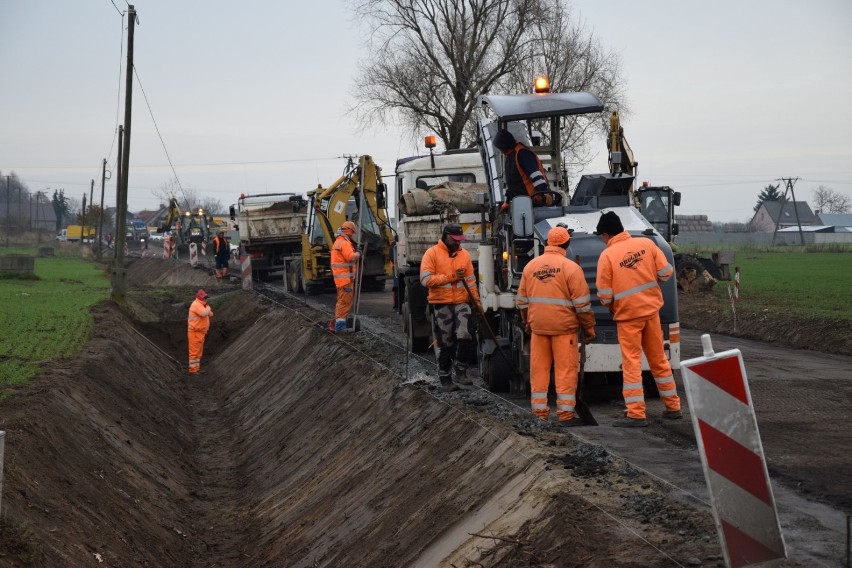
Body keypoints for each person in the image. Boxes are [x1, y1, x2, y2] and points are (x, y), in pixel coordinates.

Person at [594, 211, 682, 427]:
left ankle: (636, 413)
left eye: (601, 237)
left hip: (628, 317)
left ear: (606, 234)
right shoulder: (647, 244)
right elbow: (666, 273)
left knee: (632, 362)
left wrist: (613, 306)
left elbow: (604, 294)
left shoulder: (607, 255)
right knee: (659, 359)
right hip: (651, 312)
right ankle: (673, 407)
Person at [516, 226, 596, 427]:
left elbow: (522, 303)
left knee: (539, 371)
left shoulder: (531, 267)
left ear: (547, 244)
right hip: (564, 330)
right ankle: (566, 415)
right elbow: (583, 306)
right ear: (566, 244)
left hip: (539, 329)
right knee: (565, 371)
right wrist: (589, 330)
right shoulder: (571, 268)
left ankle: (539, 413)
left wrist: (527, 323)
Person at [420, 223, 480, 391]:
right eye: (455, 240)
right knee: (445, 342)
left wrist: (476, 303)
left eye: (460, 240)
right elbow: (425, 280)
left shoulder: (465, 255)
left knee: (465, 335)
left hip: (462, 302)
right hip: (441, 304)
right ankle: (445, 377)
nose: (458, 243)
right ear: (446, 237)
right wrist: (451, 277)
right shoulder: (431, 254)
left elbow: (471, 282)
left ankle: (461, 370)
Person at [493, 129, 550, 204]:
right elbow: (513, 184)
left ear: (505, 145)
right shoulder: (510, 157)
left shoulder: (523, 154)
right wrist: (507, 202)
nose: (501, 151)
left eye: (500, 148)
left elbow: (536, 176)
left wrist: (544, 194)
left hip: (533, 202)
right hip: (520, 203)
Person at [330, 221, 361, 333]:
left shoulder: (338, 242)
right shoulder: (344, 243)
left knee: (342, 301)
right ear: (349, 231)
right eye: (352, 233)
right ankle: (340, 327)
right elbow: (350, 257)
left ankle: (339, 324)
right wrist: (358, 254)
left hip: (341, 279)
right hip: (345, 279)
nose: (352, 235)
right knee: (345, 302)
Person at [187, 289, 214, 375]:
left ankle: (196, 368)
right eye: (204, 297)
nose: (205, 299)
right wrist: (208, 308)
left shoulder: (202, 305)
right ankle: (193, 370)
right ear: (200, 297)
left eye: (206, 297)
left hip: (200, 332)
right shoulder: (196, 305)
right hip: (195, 332)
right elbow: (204, 313)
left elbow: (211, 314)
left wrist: (207, 309)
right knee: (194, 352)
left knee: (198, 352)